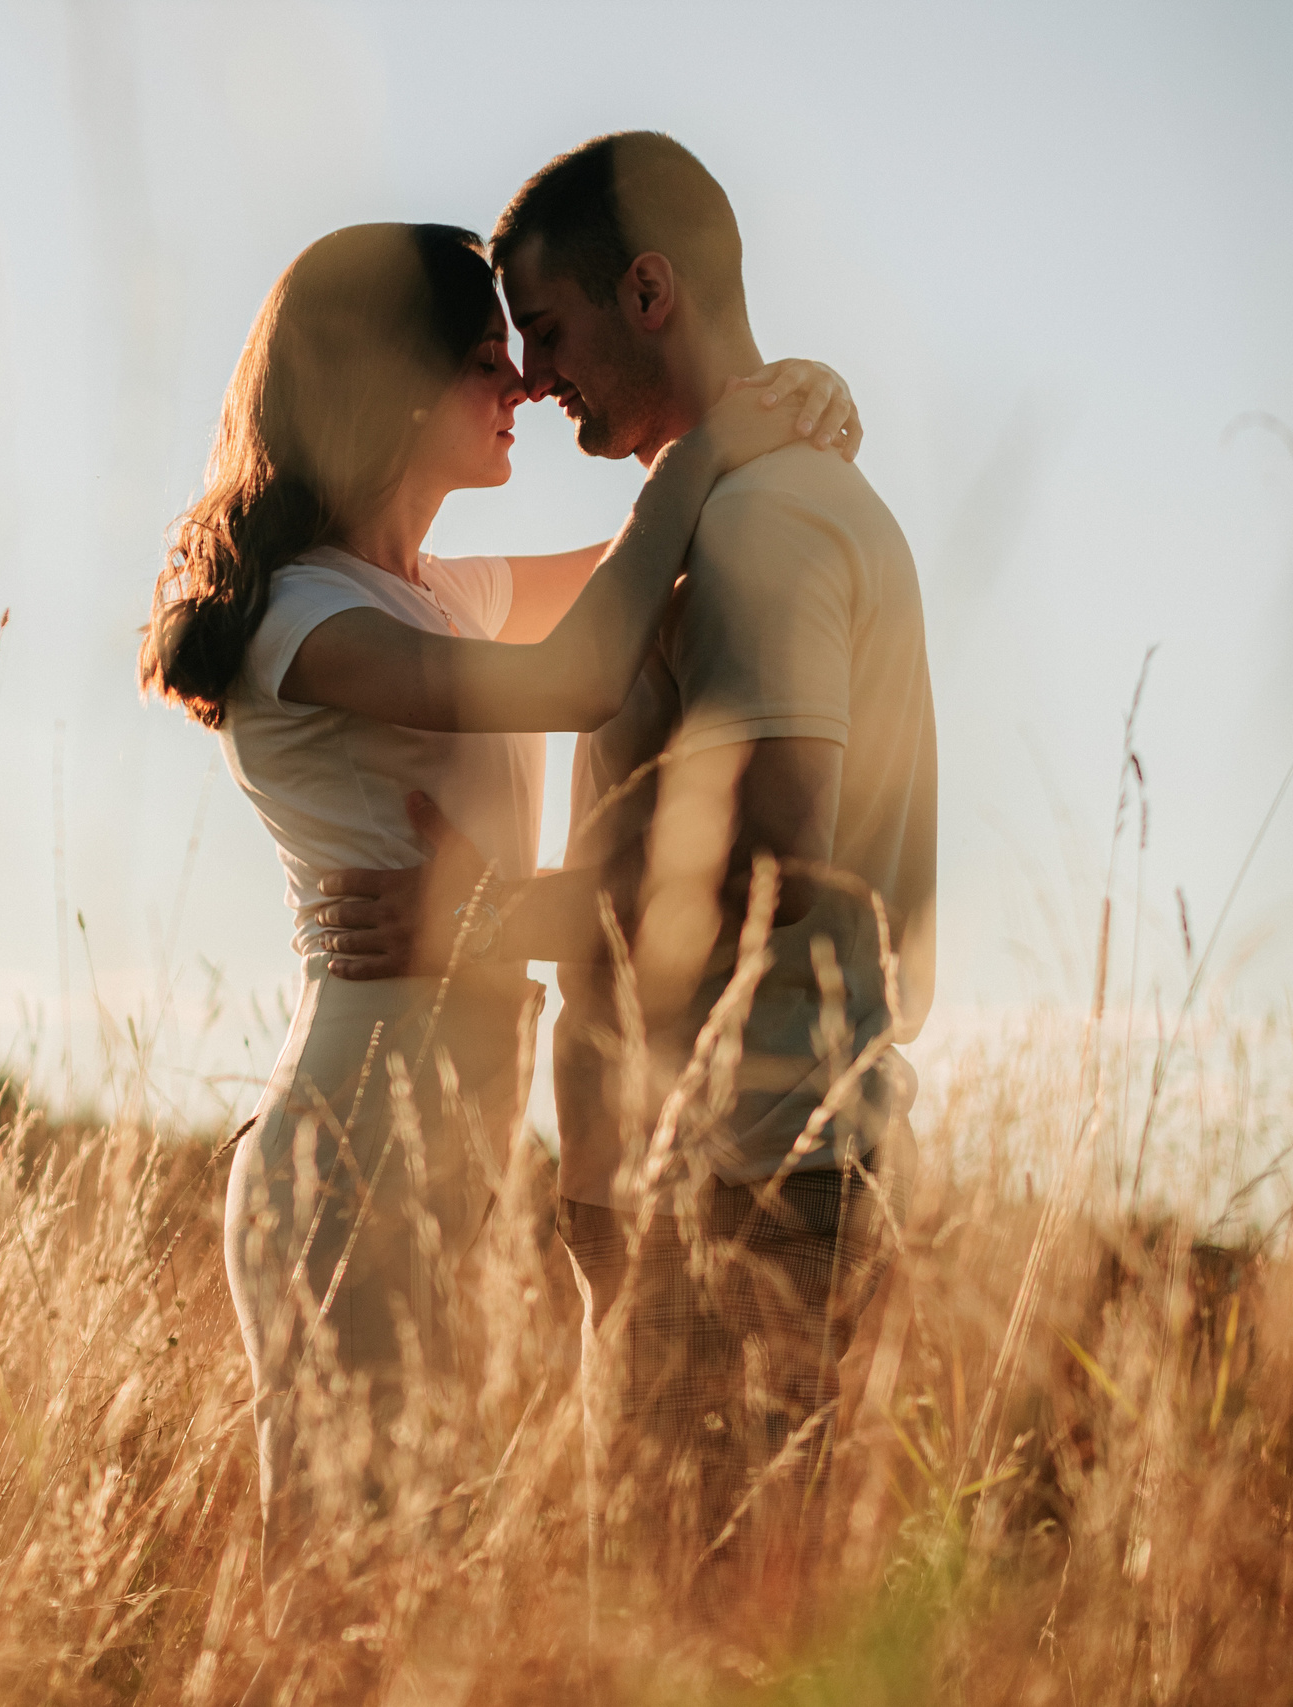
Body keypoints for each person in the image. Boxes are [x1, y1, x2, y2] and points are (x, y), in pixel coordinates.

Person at [139, 217, 861, 1568]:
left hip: (437, 1143)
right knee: (345, 1588)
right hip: (355, 1145)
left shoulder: (432, 595)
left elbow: (652, 562)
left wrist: (787, 417)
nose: (524, 384)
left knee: (399, 1576)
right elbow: (579, 670)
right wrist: (703, 453)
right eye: (486, 359)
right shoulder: (303, 617)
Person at [318, 134, 937, 1569]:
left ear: (649, 291)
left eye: (547, 329)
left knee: (696, 1623)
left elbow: (771, 858)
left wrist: (483, 919)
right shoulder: (715, 514)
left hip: (748, 1181)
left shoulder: (768, 522)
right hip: (692, 1176)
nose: (533, 377)